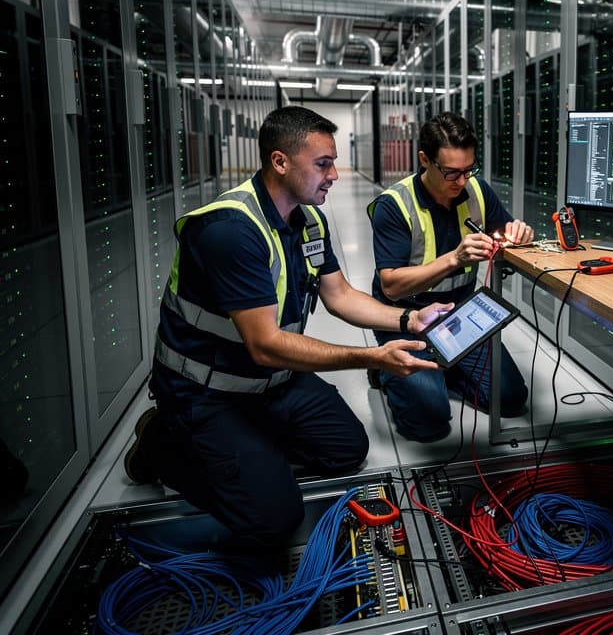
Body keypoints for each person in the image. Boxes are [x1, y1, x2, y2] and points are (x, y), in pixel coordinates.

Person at [123, 106, 450, 551]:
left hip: (271, 384)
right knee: (275, 519)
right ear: (279, 162)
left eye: (333, 161)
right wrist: (371, 357)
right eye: (323, 164)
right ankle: (161, 441)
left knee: (346, 451)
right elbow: (266, 345)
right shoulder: (230, 231)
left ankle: (244, 452)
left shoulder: (307, 219)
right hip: (207, 392)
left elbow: (339, 296)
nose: (334, 173)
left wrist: (408, 319)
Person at [367, 111, 533, 441]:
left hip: (461, 316)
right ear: (424, 159)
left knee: (512, 400)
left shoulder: (477, 191)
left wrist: (520, 234)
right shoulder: (395, 205)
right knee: (429, 423)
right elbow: (391, 285)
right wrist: (454, 259)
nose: (461, 182)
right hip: (407, 316)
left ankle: (443, 368)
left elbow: (506, 236)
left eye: (468, 170)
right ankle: (385, 370)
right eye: (451, 173)